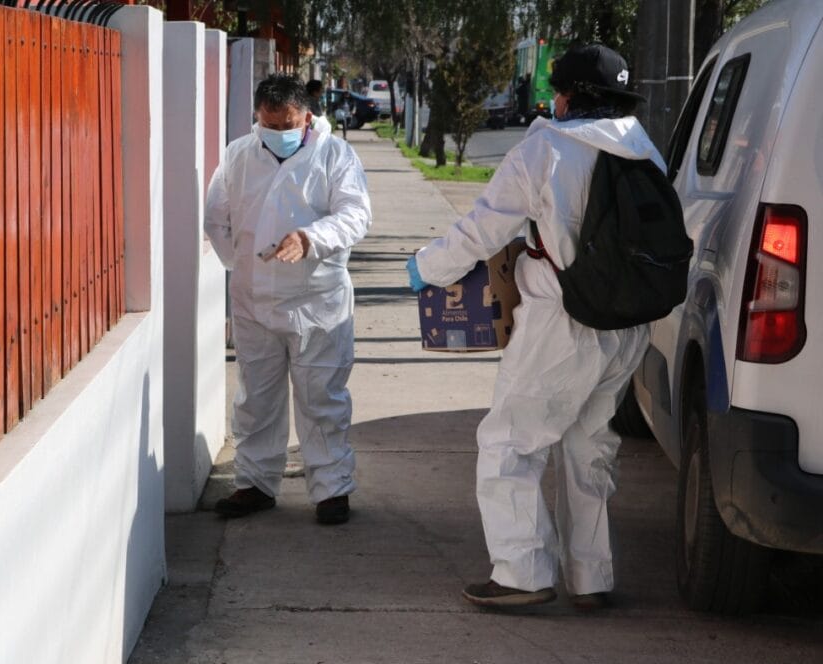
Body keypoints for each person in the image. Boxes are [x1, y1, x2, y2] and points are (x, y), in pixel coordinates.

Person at [407, 44, 659, 609]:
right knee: (590, 446)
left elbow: (482, 231)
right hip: (627, 326)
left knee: (509, 443)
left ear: (566, 97)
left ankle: (521, 573)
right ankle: (592, 577)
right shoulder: (644, 148)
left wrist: (426, 268)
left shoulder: (545, 149)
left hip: (562, 324)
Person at [205, 74, 372, 525]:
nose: (280, 133)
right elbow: (216, 217)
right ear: (257, 117)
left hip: (316, 299)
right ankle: (255, 484)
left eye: (289, 124)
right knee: (256, 397)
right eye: (270, 124)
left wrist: (310, 238)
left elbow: (356, 214)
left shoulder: (335, 154)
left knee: (321, 397)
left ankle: (331, 488)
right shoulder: (239, 154)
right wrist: (242, 263)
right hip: (253, 299)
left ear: (307, 117)